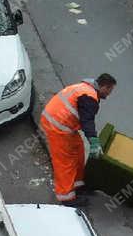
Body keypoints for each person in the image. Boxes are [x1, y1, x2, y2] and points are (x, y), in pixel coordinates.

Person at [41, 74, 117, 206]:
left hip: (62, 124)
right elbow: (87, 121)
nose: (109, 94)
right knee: (65, 162)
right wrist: (93, 141)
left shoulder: (85, 89)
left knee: (78, 152)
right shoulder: (89, 97)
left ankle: (78, 185)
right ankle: (66, 197)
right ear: (104, 87)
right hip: (58, 127)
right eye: (110, 90)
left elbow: (83, 118)